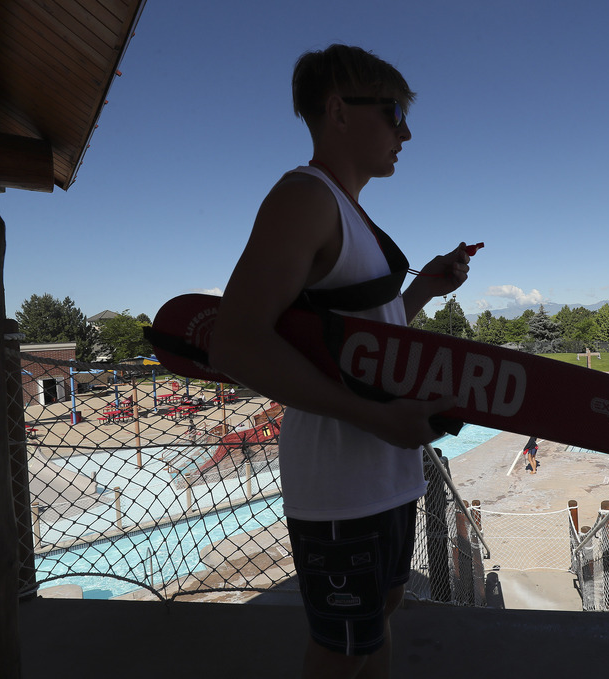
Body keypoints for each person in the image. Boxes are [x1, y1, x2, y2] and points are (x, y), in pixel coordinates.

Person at [209, 44, 472, 679]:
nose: (405, 131)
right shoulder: (305, 198)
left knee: (380, 614)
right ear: (339, 111)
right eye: (393, 112)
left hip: (388, 478)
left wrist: (424, 291)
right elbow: (235, 341)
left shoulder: (348, 211)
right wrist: (375, 419)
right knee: (340, 649)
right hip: (340, 489)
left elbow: (364, 343)